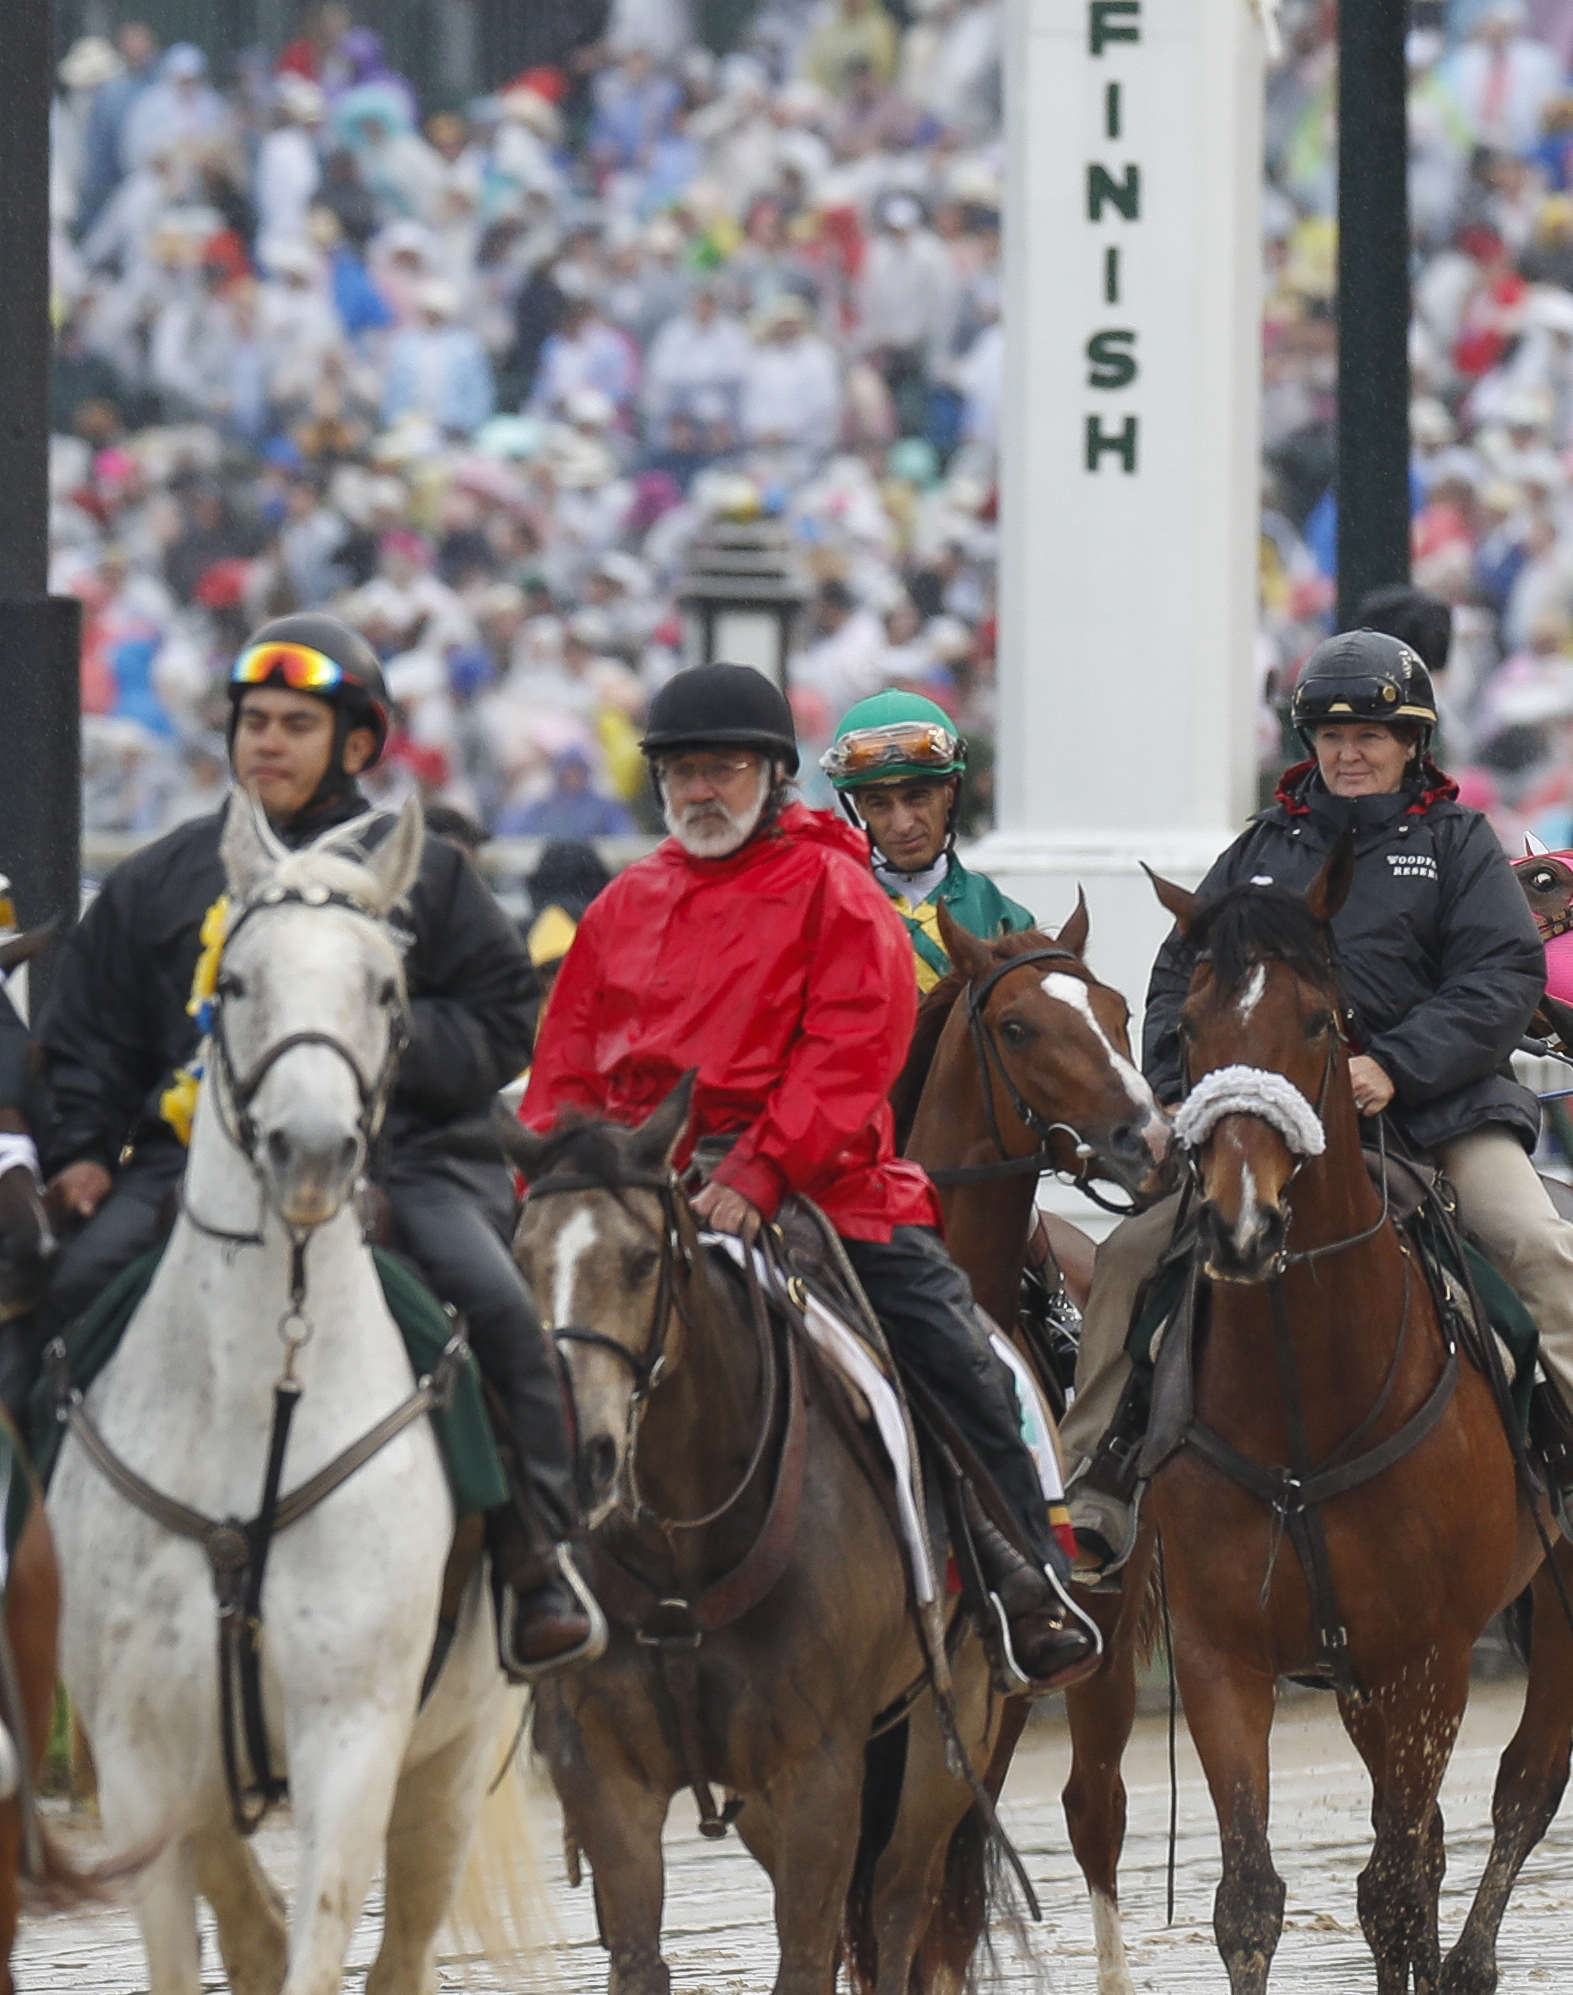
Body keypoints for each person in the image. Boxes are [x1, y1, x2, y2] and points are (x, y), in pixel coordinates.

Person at [18, 613, 590, 1672]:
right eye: (252, 723)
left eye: (294, 725)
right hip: (192, 1167)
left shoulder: (429, 875)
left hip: (405, 1160)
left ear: (357, 747)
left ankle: (536, 1563)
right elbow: (88, 1035)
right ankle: (28, 1565)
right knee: (63, 1297)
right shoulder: (161, 880)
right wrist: (86, 1151)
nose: (266, 743)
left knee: (501, 1307)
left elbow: (506, 1013)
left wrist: (362, 1055)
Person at [523, 665, 1102, 1693]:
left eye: (725, 769)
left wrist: (758, 1169)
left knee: (965, 1347)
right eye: (682, 772)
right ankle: (521, 1577)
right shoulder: (622, 902)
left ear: (773, 776)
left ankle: (1025, 1573)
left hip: (821, 1181)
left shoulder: (838, 888)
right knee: (508, 1329)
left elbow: (855, 1048)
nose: (702, 790)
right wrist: (559, 1184)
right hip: (640, 1185)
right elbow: (564, 1067)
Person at [1060, 630, 1573, 1563]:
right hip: (1263, 1120)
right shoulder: (1257, 850)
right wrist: (1185, 1097)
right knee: (1132, 1255)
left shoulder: (1456, 842)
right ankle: (1093, 1475)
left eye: (1372, 734)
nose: (1349, 752)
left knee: (1535, 1242)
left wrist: (1399, 1064)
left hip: (1435, 1110)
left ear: (1412, 742)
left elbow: (1501, 976)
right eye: (1331, 735)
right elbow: (1182, 982)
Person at [823, 689, 1032, 990]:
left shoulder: (1006, 921)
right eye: (880, 804)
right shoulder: (825, 913)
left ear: (950, 793)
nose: (903, 824)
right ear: (859, 809)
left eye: (917, 797)